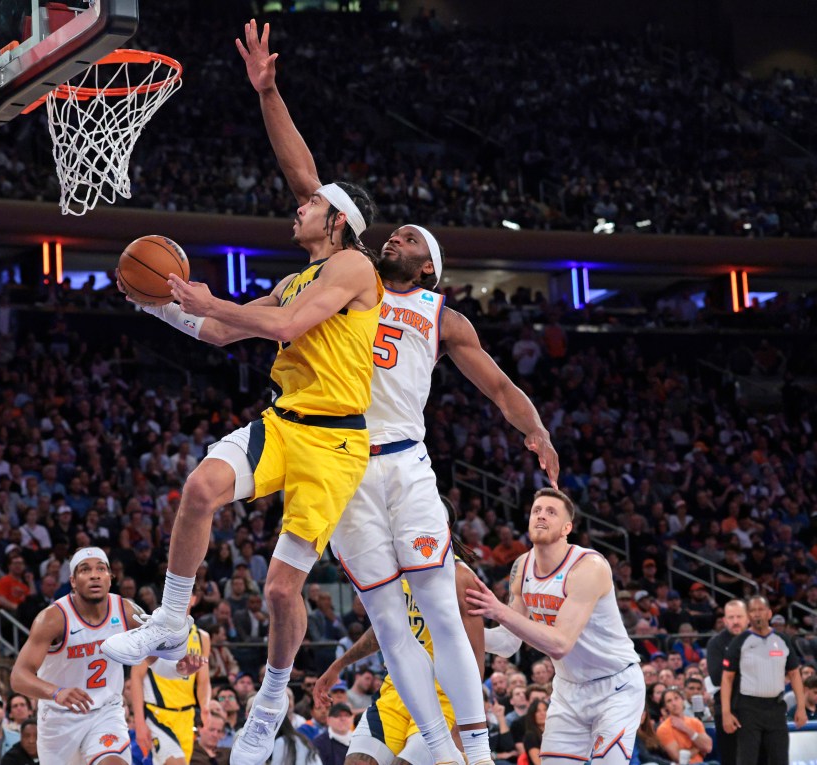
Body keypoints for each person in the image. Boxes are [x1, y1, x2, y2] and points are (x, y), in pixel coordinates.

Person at [239, 20, 558, 765]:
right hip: (342, 458)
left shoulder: (442, 315)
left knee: (441, 609)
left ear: (433, 265)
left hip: (406, 461)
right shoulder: (359, 278)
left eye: (412, 238)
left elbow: (503, 386)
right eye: (396, 233)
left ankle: (473, 751)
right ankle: (443, 748)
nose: (398, 239)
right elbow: (306, 183)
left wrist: (535, 432)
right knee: (386, 618)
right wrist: (270, 93)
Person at [104, 22, 384, 765]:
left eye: (312, 205)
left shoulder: (354, 272)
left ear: (339, 224)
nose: (297, 206)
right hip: (282, 421)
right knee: (199, 488)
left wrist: (211, 298)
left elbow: (283, 323)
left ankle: (274, 690)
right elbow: (226, 335)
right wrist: (161, 304)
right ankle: (169, 617)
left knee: (281, 593)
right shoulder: (303, 268)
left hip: (334, 443)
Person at [466, 489, 645, 763]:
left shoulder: (589, 566)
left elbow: (560, 644)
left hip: (615, 686)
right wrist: (463, 630)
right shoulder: (522, 566)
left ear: (567, 528)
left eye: (551, 512)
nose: (541, 515)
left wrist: (499, 611)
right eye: (536, 510)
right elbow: (507, 643)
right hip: (567, 689)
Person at [314, 524, 485, 765]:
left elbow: (477, 656)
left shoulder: (460, 575)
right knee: (356, 761)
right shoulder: (400, 570)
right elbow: (383, 630)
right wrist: (339, 665)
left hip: (443, 697)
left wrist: (465, 722)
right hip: (396, 690)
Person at [11, 547, 198, 765]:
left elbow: (156, 663)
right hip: (59, 718)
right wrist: (56, 692)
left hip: (106, 713)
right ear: (73, 581)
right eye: (85, 569)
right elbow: (18, 677)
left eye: (101, 568)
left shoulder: (127, 611)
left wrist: (178, 669)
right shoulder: (53, 619)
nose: (94, 574)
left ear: (110, 577)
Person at [721, 596, 807, 765]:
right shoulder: (740, 641)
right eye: (753, 610)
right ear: (748, 615)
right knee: (747, 760)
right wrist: (726, 713)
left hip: (776, 707)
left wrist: (801, 707)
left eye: (761, 610)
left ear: (769, 613)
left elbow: (795, 674)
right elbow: (727, 678)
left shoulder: (782, 640)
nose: (757, 614)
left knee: (780, 759)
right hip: (748, 709)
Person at [131, 597, 212, 765]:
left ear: (194, 599)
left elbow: (204, 681)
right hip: (157, 714)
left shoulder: (201, 637)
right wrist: (139, 722)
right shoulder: (153, 632)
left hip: (186, 716)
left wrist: (205, 706)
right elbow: (136, 676)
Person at [704, 598, 747, 765]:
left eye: (739, 616)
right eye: (731, 617)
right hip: (728, 712)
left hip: (757, 711)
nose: (735, 621)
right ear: (724, 620)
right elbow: (716, 677)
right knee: (732, 760)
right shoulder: (716, 643)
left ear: (748, 618)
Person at [655, 689, 714, 763]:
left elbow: (708, 747)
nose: (674, 703)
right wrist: (699, 747)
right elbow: (679, 758)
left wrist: (686, 729)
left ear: (683, 701)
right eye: (669, 701)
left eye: (676, 698)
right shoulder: (663, 728)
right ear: (665, 707)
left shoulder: (695, 722)